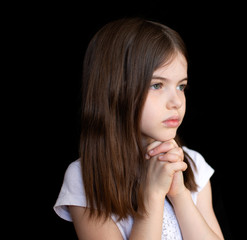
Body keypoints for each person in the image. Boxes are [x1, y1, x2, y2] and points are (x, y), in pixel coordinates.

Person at [53, 17, 224, 240]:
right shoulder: (85, 178)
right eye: (157, 85)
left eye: (181, 86)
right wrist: (152, 197)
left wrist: (180, 195)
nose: (176, 102)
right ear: (116, 89)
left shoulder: (192, 165)